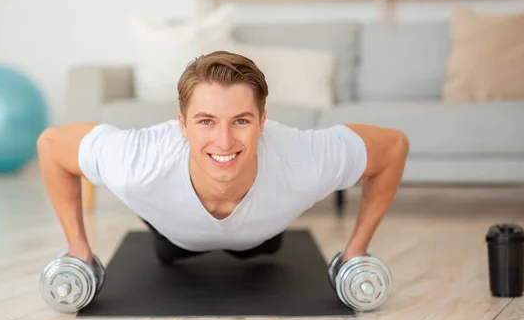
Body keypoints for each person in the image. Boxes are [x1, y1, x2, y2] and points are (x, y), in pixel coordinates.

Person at [37, 50, 409, 266]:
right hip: (173, 235)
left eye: (241, 121)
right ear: (181, 124)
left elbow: (393, 147)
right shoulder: (139, 161)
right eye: (206, 121)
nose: (224, 141)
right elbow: (52, 145)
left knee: (264, 248)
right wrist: (79, 250)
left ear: (263, 122)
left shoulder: (302, 158)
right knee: (167, 251)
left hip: (262, 237)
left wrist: (356, 249)